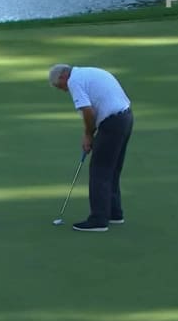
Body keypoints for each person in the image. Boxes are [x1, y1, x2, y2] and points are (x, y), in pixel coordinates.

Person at [49, 64, 134, 232]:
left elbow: (88, 112)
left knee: (99, 171)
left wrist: (88, 134)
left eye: (61, 87)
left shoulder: (74, 81)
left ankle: (99, 219)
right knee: (112, 169)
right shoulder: (87, 73)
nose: (64, 91)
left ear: (62, 77)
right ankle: (114, 213)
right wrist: (90, 133)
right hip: (126, 118)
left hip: (112, 123)